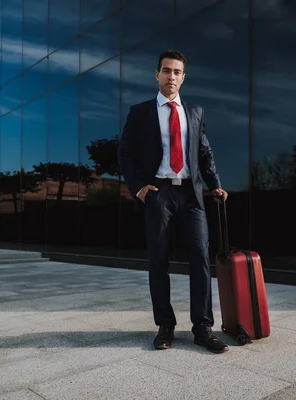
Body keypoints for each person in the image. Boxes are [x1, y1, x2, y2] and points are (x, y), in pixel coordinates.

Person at [118, 49, 229, 353]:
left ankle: (203, 328)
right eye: (166, 71)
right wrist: (139, 188)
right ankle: (165, 326)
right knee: (158, 261)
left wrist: (215, 185)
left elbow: (205, 153)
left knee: (201, 260)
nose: (171, 77)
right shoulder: (139, 112)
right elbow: (124, 154)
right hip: (159, 193)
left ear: (183, 77)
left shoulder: (195, 112)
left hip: (191, 195)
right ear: (157, 75)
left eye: (177, 72)